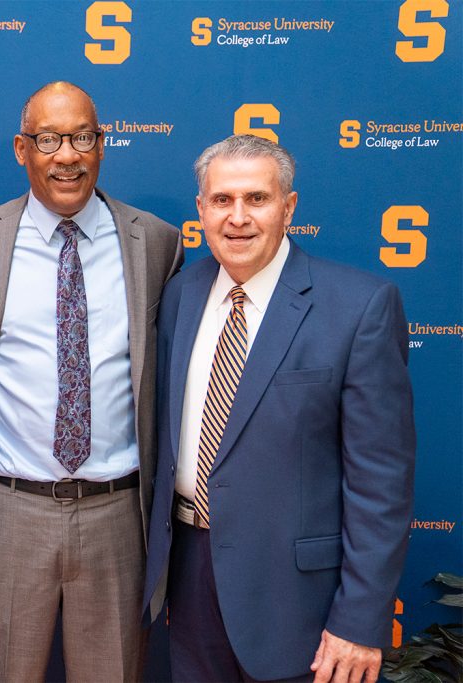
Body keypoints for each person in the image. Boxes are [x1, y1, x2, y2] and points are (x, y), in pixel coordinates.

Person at [142, 134, 415, 683]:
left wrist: (360, 621)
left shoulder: (359, 307)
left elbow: (380, 484)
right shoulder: (179, 296)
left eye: (256, 199)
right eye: (222, 200)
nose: (237, 217)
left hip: (299, 602)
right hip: (189, 578)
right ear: (201, 209)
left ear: (288, 207)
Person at [0, 81, 183, 681]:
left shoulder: (155, 241)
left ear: (102, 146)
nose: (66, 155)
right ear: (22, 150)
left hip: (118, 515)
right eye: (49, 139)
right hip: (10, 511)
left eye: (81, 137)